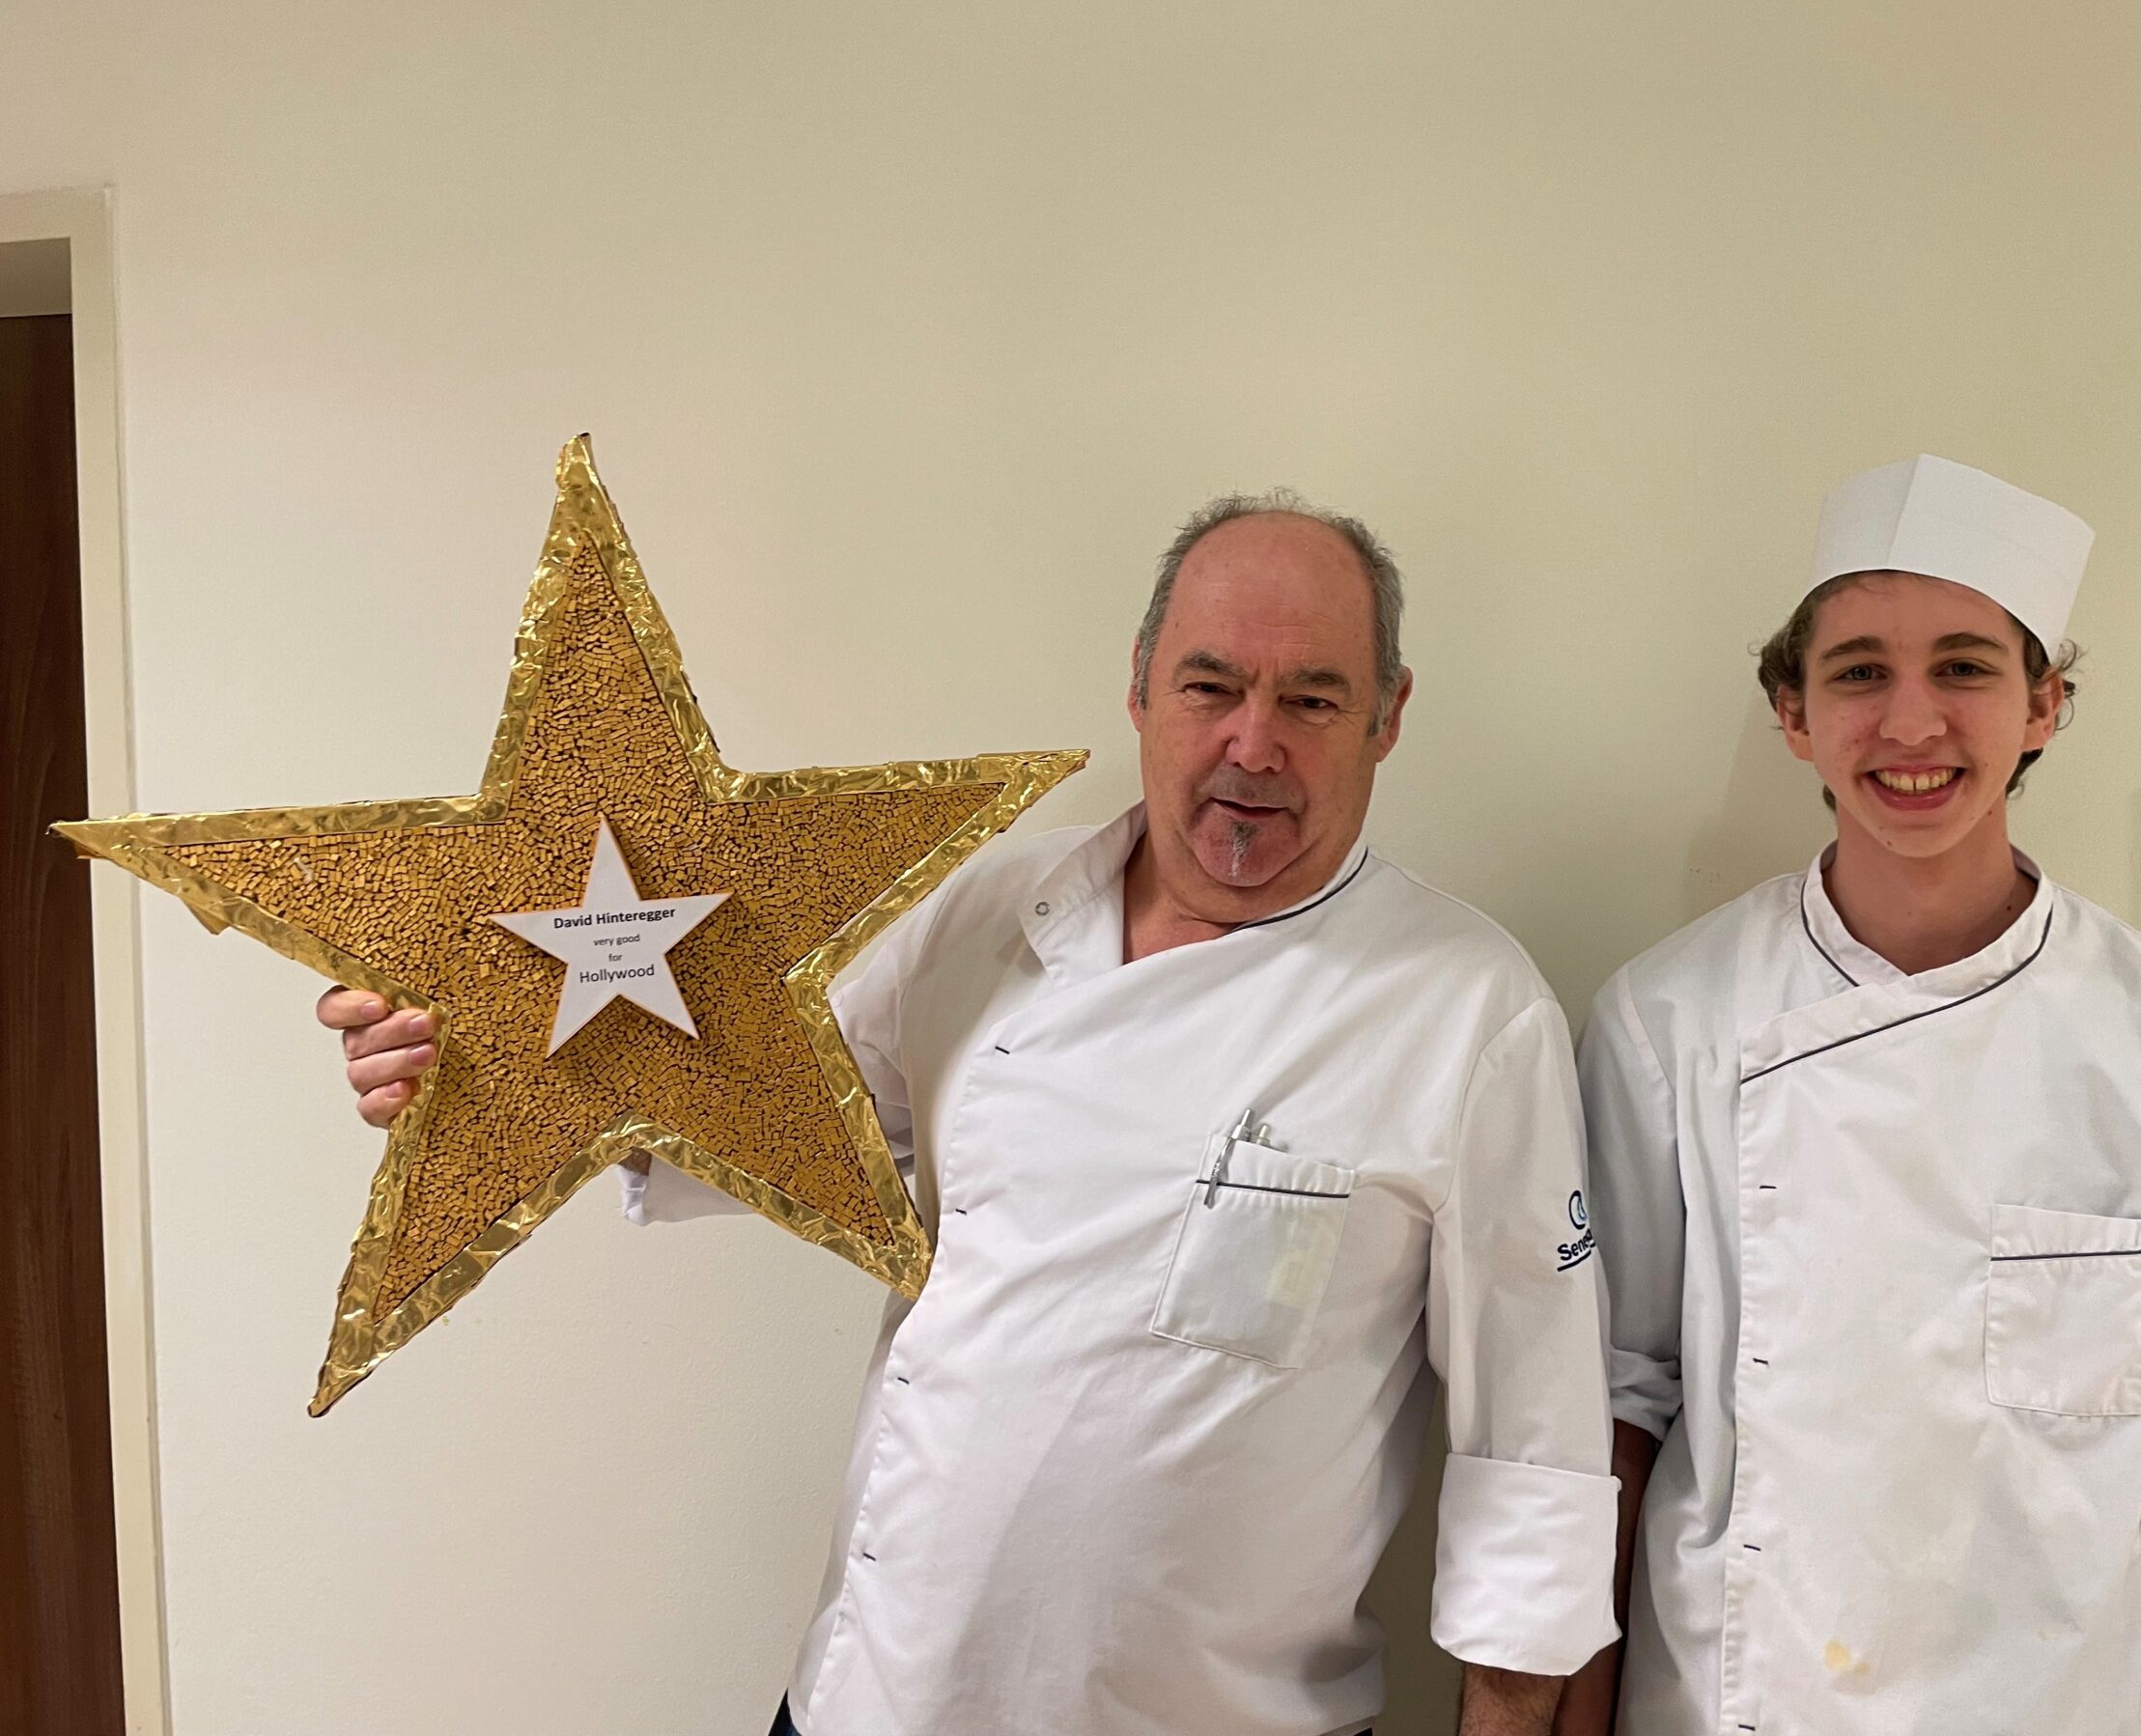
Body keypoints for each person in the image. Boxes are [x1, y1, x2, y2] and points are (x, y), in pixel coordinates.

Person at [323, 493, 1617, 1736]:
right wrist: (470, 1055)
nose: (1254, 744)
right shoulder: (982, 909)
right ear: (1140, 689)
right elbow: (732, 1110)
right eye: (1211, 686)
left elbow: (1535, 1457)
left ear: (1388, 717)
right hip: (872, 1699)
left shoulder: (1466, 1009)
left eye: (1313, 698)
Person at [1558, 456, 2141, 1736]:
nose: (1911, 724)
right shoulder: (1670, 1023)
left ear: (2044, 705)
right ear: (1793, 712)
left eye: (1965, 668)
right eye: (1860, 671)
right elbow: (1606, 1423)